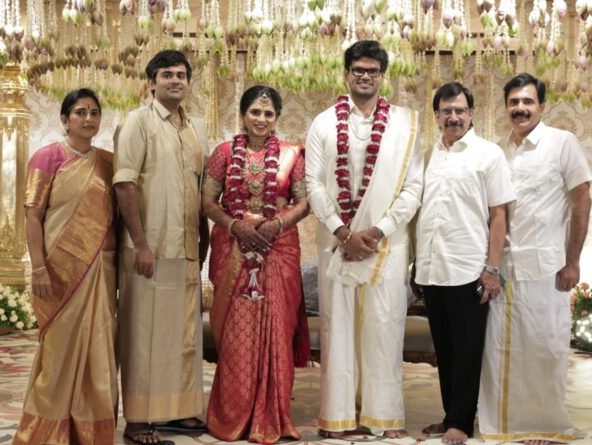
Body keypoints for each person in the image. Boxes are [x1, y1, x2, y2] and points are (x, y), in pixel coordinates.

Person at [305, 39, 423, 439]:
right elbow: (313, 183)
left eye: (373, 71)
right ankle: (338, 417)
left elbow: (413, 187)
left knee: (384, 328)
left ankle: (383, 417)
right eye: (358, 70)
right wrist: (342, 231)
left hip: (385, 245)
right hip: (337, 245)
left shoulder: (405, 124)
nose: (365, 76)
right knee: (337, 330)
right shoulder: (323, 123)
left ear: (382, 76)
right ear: (346, 74)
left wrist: (377, 231)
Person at [478, 73, 592, 445]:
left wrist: (573, 261)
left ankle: (544, 423)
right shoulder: (498, 151)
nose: (520, 108)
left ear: (542, 106)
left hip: (547, 267)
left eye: (527, 101)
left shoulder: (563, 143)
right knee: (502, 349)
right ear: (505, 107)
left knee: (545, 346)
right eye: (514, 102)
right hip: (504, 267)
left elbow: (581, 203)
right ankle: (502, 423)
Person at [202, 85, 311, 444]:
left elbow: (303, 202)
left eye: (268, 114)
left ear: (276, 118)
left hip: (278, 250)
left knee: (277, 332)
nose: (261, 119)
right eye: (255, 112)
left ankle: (273, 417)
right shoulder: (222, 153)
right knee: (236, 336)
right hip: (233, 249)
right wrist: (236, 226)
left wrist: (275, 225)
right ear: (243, 115)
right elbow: (208, 201)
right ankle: (232, 414)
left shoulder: (292, 155)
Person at [113, 49, 209, 445]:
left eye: (181, 74)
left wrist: (203, 240)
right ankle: (138, 420)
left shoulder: (195, 128)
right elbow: (124, 184)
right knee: (143, 335)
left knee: (183, 334)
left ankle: (178, 410)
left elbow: (199, 189)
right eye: (167, 74)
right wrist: (140, 244)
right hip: (148, 248)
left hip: (185, 247)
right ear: (151, 83)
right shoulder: (137, 122)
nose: (175, 80)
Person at [14, 88, 118, 445]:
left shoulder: (108, 162)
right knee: (58, 352)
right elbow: (33, 216)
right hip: (60, 270)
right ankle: (47, 429)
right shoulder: (47, 157)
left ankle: (92, 428)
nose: (88, 118)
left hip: (100, 269)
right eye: (80, 112)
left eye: (94, 112)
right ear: (64, 120)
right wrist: (38, 268)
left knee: (98, 348)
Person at [414, 82, 515, 445]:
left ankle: (461, 422)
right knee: (444, 350)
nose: (453, 117)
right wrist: (415, 264)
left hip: (468, 268)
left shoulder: (488, 154)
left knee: (468, 350)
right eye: (446, 111)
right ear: (436, 115)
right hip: (431, 268)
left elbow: (499, 215)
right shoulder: (428, 155)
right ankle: (450, 416)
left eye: (460, 110)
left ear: (471, 114)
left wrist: (492, 268)